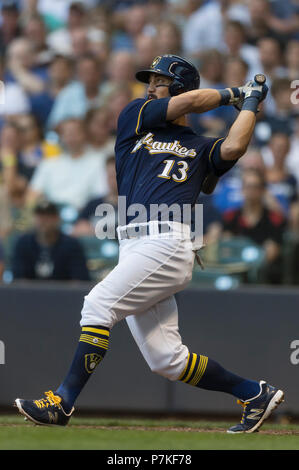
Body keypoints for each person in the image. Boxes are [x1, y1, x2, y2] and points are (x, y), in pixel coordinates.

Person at [15, 54, 284, 433]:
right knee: (166, 360)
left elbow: (234, 147)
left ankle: (62, 402)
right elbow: (189, 103)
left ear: (179, 85)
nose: (150, 87)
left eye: (160, 80)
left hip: (167, 241)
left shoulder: (200, 145)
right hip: (134, 244)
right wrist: (235, 93)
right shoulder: (136, 119)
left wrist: (252, 102)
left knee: (97, 305)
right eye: (151, 81)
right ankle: (254, 393)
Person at [222, 168, 286, 284]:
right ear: (242, 189)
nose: (251, 191)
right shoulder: (231, 217)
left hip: (265, 277)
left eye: (255, 187)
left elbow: (271, 253)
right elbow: (227, 249)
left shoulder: (273, 219)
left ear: (262, 190)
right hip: (235, 274)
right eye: (248, 186)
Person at [12, 199, 90, 281]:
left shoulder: (71, 245)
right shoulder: (23, 243)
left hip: (63, 293)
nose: (44, 220)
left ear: (57, 218)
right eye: (40, 216)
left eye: (49, 216)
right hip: (28, 293)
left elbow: (79, 281)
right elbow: (18, 280)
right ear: (34, 218)